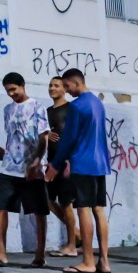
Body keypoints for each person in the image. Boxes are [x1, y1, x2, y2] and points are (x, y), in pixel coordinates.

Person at [53, 68, 111, 273]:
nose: (66, 92)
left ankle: (87, 261)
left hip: (83, 163)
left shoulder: (76, 107)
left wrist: (55, 165)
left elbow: (68, 139)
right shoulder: (98, 103)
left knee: (83, 209)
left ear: (76, 83)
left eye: (67, 86)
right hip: (100, 163)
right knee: (99, 210)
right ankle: (103, 260)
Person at [0, 71, 49, 267]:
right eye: (7, 91)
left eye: (13, 90)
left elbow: (43, 138)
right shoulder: (7, 109)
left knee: (38, 211)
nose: (11, 94)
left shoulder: (37, 107)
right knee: (2, 207)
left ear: (23, 85)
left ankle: (40, 254)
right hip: (8, 167)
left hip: (31, 168)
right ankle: (2, 252)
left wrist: (37, 161)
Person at [42, 75, 79, 257]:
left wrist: (70, 161)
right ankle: (76, 234)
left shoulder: (71, 109)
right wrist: (46, 136)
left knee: (66, 203)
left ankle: (71, 245)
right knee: (47, 199)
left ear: (64, 89)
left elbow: (75, 136)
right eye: (50, 85)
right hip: (51, 162)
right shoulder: (47, 111)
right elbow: (41, 133)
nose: (52, 88)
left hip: (65, 163)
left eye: (56, 86)